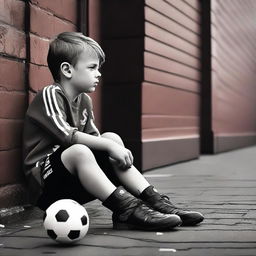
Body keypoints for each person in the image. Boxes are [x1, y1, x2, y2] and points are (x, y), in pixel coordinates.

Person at [23, 32, 204, 231]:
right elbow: (68, 137)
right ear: (67, 70)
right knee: (83, 150)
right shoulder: (50, 94)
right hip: (46, 186)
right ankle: (127, 208)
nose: (98, 73)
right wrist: (109, 146)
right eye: (92, 67)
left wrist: (111, 145)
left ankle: (156, 202)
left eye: (98, 68)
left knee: (112, 138)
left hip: (74, 183)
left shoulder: (84, 101)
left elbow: (95, 143)